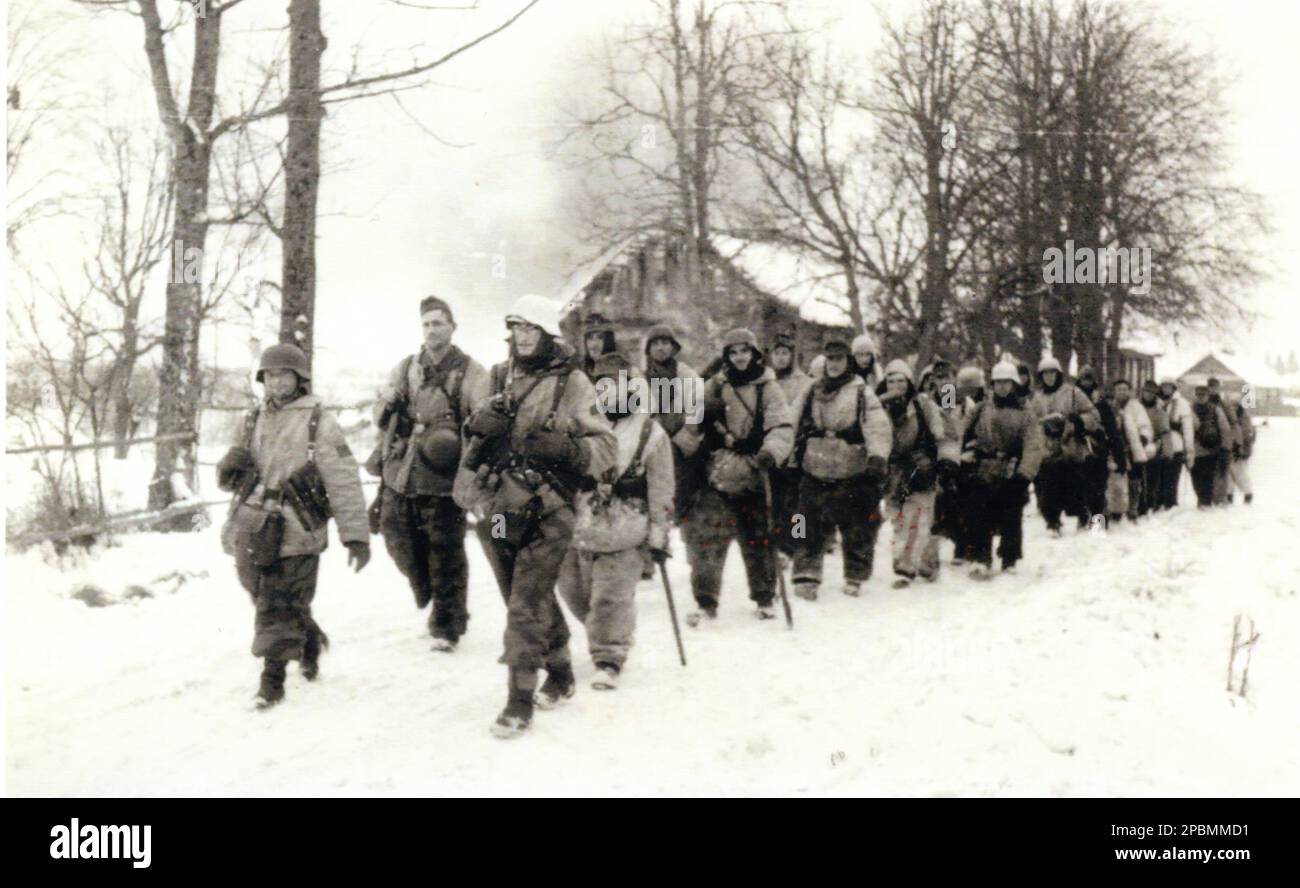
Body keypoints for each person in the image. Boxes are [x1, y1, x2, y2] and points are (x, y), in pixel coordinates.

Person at [452, 294, 617, 739]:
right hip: (501, 509)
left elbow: (606, 449)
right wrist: (479, 428)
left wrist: (568, 449)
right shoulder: (500, 376)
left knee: (525, 604)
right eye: (516, 328)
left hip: (550, 509)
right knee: (521, 596)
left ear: (548, 333)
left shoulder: (574, 382)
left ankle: (518, 700)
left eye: (531, 328)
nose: (522, 337)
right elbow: (476, 443)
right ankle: (561, 673)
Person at [217, 343, 370, 709]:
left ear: (299, 379)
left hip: (299, 526)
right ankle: (309, 638)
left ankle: (272, 683)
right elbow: (237, 475)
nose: (276, 381)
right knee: (260, 593)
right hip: (254, 524)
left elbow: (344, 480)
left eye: (284, 374)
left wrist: (355, 536)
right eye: (269, 375)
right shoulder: (251, 419)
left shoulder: (319, 421)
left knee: (277, 603)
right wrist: (229, 468)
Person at [369, 295, 490, 651]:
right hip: (404, 466)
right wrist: (387, 402)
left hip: (444, 470)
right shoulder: (407, 367)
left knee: (445, 548)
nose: (432, 329)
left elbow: (481, 421)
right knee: (394, 532)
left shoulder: (471, 371)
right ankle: (425, 588)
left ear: (453, 327)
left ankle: (447, 623)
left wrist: (470, 471)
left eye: (439, 323)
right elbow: (381, 413)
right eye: (426, 323)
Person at [557, 353, 675, 689]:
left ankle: (609, 657)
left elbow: (662, 487)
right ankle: (607, 629)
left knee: (610, 595)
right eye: (601, 382)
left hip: (626, 525)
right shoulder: (579, 424)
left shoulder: (650, 432)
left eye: (617, 382)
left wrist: (658, 532)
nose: (609, 390)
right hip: (581, 522)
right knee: (574, 592)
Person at [677, 328, 793, 624]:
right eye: (733, 352)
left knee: (757, 537)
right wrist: (699, 420)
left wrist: (771, 452)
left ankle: (765, 597)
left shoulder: (767, 386)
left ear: (754, 353)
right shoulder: (716, 384)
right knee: (708, 538)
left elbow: (781, 426)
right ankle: (706, 601)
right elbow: (693, 419)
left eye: (745, 351)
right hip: (719, 469)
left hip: (755, 469)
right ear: (726, 356)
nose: (739, 357)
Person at [787, 337, 891, 599]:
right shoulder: (811, 389)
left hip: (850, 467)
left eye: (840, 359)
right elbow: (790, 420)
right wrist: (780, 450)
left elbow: (877, 425)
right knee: (804, 521)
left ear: (848, 361)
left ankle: (855, 574)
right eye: (830, 359)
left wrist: (877, 456)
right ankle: (805, 573)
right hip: (815, 463)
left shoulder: (860, 391)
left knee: (856, 525)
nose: (834, 365)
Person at [877, 358, 958, 587]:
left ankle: (908, 566)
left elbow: (945, 432)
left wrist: (947, 460)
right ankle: (916, 560)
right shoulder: (877, 406)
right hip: (893, 473)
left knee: (920, 518)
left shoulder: (924, 405)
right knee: (899, 520)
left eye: (901, 380)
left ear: (910, 381)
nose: (896, 385)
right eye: (891, 380)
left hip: (921, 468)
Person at [960, 361, 1045, 578]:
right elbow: (964, 433)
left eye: (1007, 382)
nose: (1002, 387)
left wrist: (1024, 474)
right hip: (983, 468)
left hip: (1011, 468)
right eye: (998, 383)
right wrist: (962, 457)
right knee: (978, 513)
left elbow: (1033, 444)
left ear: (1015, 384)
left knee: (1011, 513)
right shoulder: (982, 408)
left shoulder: (1026, 412)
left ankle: (1009, 558)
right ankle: (980, 557)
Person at [1029, 356, 1099, 534]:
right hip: (1047, 447)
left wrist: (1078, 421)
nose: (1049, 377)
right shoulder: (1037, 398)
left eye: (1052, 373)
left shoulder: (1073, 392)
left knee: (1075, 485)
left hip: (1071, 445)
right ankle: (1052, 521)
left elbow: (1093, 414)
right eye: (1045, 374)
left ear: (1058, 374)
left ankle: (1083, 516)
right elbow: (1030, 420)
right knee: (1047, 487)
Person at [923, 361, 981, 573]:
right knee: (935, 506)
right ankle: (932, 555)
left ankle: (962, 546)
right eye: (938, 378)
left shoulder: (966, 404)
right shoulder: (926, 404)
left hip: (961, 457)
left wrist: (969, 452)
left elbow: (974, 430)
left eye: (947, 377)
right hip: (937, 458)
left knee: (961, 502)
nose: (943, 382)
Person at [643, 323, 704, 521]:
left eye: (665, 343)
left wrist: (685, 433)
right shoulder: (642, 379)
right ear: (649, 349)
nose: (661, 348)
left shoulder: (686, 375)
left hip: (681, 447)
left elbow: (697, 405)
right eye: (656, 344)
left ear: (673, 347)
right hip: (653, 445)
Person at [767, 330, 812, 564]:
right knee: (775, 501)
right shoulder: (766, 381)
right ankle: (778, 546)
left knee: (797, 503)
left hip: (797, 451)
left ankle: (796, 545)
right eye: (777, 353)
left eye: (786, 353)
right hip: (773, 451)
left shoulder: (804, 382)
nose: (781, 358)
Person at [1106, 379, 1154, 524]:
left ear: (1130, 391)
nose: (1122, 392)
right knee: (1116, 480)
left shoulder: (1136, 406)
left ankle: (1134, 509)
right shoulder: (1110, 406)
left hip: (1133, 447)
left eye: (1125, 389)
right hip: (1116, 449)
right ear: (1114, 391)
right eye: (1119, 389)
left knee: (1135, 479)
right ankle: (1116, 510)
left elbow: (1145, 426)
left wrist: (1142, 439)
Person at [1188, 384, 1231, 509]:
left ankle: (1205, 501)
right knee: (1195, 477)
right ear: (1195, 395)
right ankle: (1202, 499)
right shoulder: (1189, 409)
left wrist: (1225, 448)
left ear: (1208, 396)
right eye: (1198, 395)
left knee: (1208, 476)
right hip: (1194, 449)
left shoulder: (1215, 409)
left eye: (1203, 395)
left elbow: (1224, 429)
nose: (1201, 397)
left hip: (1210, 450)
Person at [1157, 377, 1195, 508]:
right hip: (1158, 444)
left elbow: (1187, 428)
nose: (1165, 389)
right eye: (1163, 386)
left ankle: (1171, 503)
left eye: (1169, 387)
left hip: (1176, 444)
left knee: (1171, 478)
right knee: (1159, 477)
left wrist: (1188, 448)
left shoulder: (1182, 403)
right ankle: (1159, 503)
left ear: (1173, 388)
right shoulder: (1157, 402)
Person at [1138, 379, 1172, 515]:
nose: (1148, 395)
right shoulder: (1136, 407)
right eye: (1146, 392)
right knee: (1138, 477)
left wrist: (1167, 450)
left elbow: (1165, 431)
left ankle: (1151, 503)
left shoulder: (1159, 410)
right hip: (1138, 444)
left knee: (1153, 476)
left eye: (1152, 392)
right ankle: (1140, 505)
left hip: (1154, 445)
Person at [1206, 377, 1237, 506]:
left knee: (1223, 471)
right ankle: (1211, 497)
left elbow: (1233, 422)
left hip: (1224, 440)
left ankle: (1222, 498)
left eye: (1216, 387)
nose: (1213, 389)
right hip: (1208, 441)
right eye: (1211, 387)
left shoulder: (1224, 403)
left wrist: (1234, 441)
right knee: (1209, 471)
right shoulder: (1204, 402)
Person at [1226, 391, 1256, 505]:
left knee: (1240, 473)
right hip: (1229, 447)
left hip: (1240, 449)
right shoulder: (1228, 415)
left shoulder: (1244, 416)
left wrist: (1243, 449)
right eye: (1231, 404)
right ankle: (1229, 495)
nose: (1233, 406)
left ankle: (1248, 493)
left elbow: (1247, 434)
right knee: (1228, 474)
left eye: (1235, 404)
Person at [581, 312, 617, 381]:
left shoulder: (618, 371)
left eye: (600, 338)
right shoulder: (581, 370)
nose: (595, 344)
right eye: (590, 338)